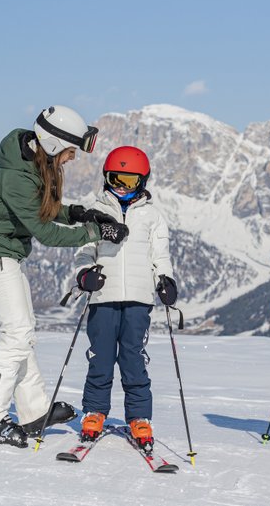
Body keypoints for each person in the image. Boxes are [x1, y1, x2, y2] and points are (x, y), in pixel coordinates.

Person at [0, 105, 130, 448]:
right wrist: (96, 233)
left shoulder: (32, 162)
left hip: (5, 254)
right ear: (53, 145)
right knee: (16, 335)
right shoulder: (16, 175)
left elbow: (47, 210)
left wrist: (79, 213)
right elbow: (46, 233)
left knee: (24, 335)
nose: (71, 158)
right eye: (70, 151)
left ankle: (34, 412)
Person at [72, 145, 177, 452]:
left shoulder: (153, 216)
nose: (121, 186)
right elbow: (83, 251)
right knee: (100, 357)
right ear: (106, 177)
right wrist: (84, 275)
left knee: (133, 358)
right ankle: (94, 412)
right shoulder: (95, 210)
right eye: (116, 178)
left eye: (129, 181)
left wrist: (165, 280)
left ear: (142, 182)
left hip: (139, 299)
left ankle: (140, 417)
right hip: (102, 296)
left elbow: (161, 256)